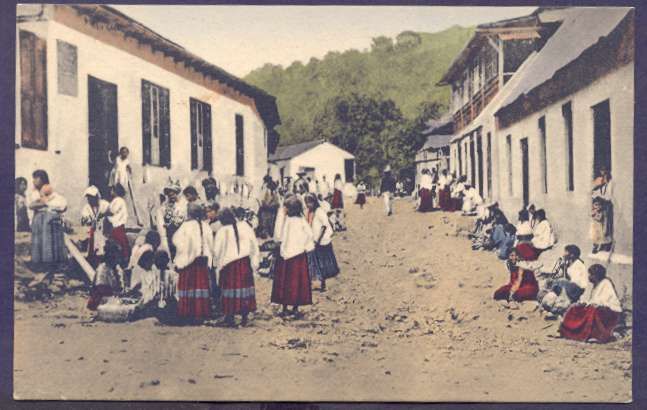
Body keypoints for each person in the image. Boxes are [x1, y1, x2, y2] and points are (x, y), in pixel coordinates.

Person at [213, 208, 260, 327]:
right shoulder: (245, 227)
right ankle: (244, 317)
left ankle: (230, 317)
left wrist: (216, 264)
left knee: (229, 289)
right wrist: (255, 262)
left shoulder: (222, 231)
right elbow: (254, 245)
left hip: (229, 265)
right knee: (244, 289)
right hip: (244, 263)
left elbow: (217, 251)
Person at [271, 195, 314, 318]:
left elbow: (280, 236)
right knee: (297, 282)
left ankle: (285, 306)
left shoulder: (288, 221)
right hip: (299, 255)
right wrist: (304, 246)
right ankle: (295, 307)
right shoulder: (301, 221)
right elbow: (310, 235)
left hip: (287, 256)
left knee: (286, 282)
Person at [173, 203, 214, 323]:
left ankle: (188, 312)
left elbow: (177, 240)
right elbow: (210, 243)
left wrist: (184, 252)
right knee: (200, 286)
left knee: (189, 286)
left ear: (189, 213)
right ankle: (201, 312)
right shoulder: (205, 226)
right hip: (202, 260)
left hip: (189, 262)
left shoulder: (185, 226)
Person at [559, 264, 622, 343]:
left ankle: (596, 336)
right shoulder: (595, 284)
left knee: (593, 310)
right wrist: (583, 303)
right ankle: (567, 331)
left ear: (596, 275)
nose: (589, 276)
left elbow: (604, 301)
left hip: (610, 312)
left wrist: (591, 304)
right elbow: (590, 299)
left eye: (590, 274)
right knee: (575, 308)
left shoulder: (606, 283)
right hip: (596, 307)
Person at [29, 172, 68, 271]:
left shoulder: (48, 189)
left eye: (36, 178)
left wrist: (45, 203)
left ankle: (50, 265)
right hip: (39, 219)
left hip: (48, 219)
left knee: (49, 242)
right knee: (39, 242)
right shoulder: (35, 193)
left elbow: (62, 205)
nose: (33, 181)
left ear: (42, 179)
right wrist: (45, 203)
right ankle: (40, 265)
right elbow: (32, 205)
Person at [304, 194, 339, 292]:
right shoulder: (309, 212)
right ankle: (315, 282)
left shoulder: (319, 212)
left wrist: (318, 239)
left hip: (322, 241)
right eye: (306, 203)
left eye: (309, 203)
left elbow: (324, 226)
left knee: (323, 262)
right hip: (313, 240)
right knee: (315, 262)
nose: (307, 205)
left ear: (314, 202)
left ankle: (323, 283)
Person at [540, 245, 589, 316]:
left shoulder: (578, 265)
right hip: (571, 287)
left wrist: (562, 282)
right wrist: (564, 270)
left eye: (566, 252)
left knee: (560, 281)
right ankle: (551, 302)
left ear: (572, 255)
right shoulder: (570, 263)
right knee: (554, 282)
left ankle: (556, 303)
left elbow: (575, 281)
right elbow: (568, 278)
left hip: (577, 289)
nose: (563, 254)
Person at [87, 240, 125, 310]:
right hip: (101, 300)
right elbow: (101, 288)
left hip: (110, 297)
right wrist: (116, 293)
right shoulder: (103, 268)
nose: (119, 258)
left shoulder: (114, 268)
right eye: (117, 256)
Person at [80, 186, 111, 267]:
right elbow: (85, 220)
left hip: (104, 232)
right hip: (93, 234)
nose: (90, 200)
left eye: (92, 197)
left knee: (104, 249)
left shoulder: (105, 205)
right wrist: (89, 221)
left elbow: (111, 214)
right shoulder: (86, 208)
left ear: (97, 197)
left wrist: (104, 217)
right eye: (89, 198)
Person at [157, 180, 186, 260]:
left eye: (173, 194)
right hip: (170, 235)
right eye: (169, 195)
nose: (171, 196)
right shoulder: (165, 207)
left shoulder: (183, 206)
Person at [105, 183, 131, 264]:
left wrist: (106, 211)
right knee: (121, 241)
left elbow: (112, 210)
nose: (111, 191)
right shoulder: (117, 200)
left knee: (119, 241)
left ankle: (122, 258)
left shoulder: (118, 200)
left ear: (115, 191)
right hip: (117, 224)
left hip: (117, 224)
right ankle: (122, 257)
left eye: (112, 189)